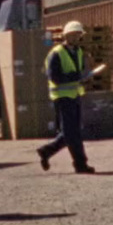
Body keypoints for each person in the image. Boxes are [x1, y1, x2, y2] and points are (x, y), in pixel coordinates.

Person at [36, 20, 101, 174]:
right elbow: (54, 77)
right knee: (72, 133)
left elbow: (76, 74)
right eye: (74, 34)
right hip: (62, 97)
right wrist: (77, 76)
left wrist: (83, 77)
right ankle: (80, 165)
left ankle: (46, 151)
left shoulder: (78, 52)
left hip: (74, 95)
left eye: (78, 34)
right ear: (66, 35)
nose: (76, 37)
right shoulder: (56, 53)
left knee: (72, 132)